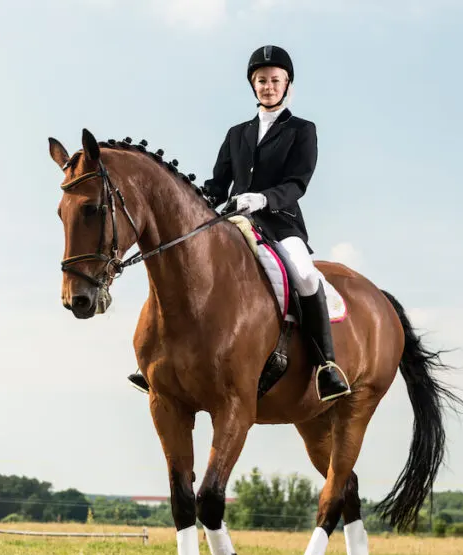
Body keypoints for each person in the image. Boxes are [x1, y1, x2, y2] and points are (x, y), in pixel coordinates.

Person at [127, 44, 351, 402]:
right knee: (184, 263)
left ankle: (326, 364)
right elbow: (218, 183)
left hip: (280, 221)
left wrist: (263, 198)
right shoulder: (237, 133)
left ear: (287, 84)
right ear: (254, 86)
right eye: (261, 80)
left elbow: (298, 183)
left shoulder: (302, 130)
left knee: (306, 275)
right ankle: (155, 357)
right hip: (233, 221)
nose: (268, 86)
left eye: (275, 80)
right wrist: (194, 201)